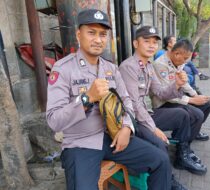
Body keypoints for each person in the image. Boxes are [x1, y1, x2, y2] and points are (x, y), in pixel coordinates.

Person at [46, 9, 175, 190]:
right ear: (78, 34)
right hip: (81, 143)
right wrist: (86, 98)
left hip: (113, 137)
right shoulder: (63, 69)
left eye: (103, 34)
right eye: (91, 33)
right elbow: (53, 120)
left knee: (160, 160)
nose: (98, 40)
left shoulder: (111, 69)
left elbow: (126, 102)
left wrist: (126, 127)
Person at [119, 26, 207, 176]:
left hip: (148, 113)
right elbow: (134, 105)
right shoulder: (128, 67)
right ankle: (169, 178)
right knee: (161, 144)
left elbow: (160, 92)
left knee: (182, 114)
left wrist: (177, 84)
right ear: (135, 44)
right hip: (134, 120)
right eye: (147, 41)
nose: (152, 45)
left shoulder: (148, 66)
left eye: (154, 42)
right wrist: (154, 128)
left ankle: (182, 155)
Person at [153, 39, 210, 144]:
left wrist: (195, 95)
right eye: (185, 58)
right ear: (176, 54)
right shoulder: (160, 65)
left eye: (187, 58)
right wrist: (191, 100)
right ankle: (183, 146)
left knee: (207, 104)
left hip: (177, 97)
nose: (185, 61)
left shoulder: (178, 62)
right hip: (164, 102)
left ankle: (194, 130)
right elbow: (166, 95)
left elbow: (183, 82)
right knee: (197, 114)